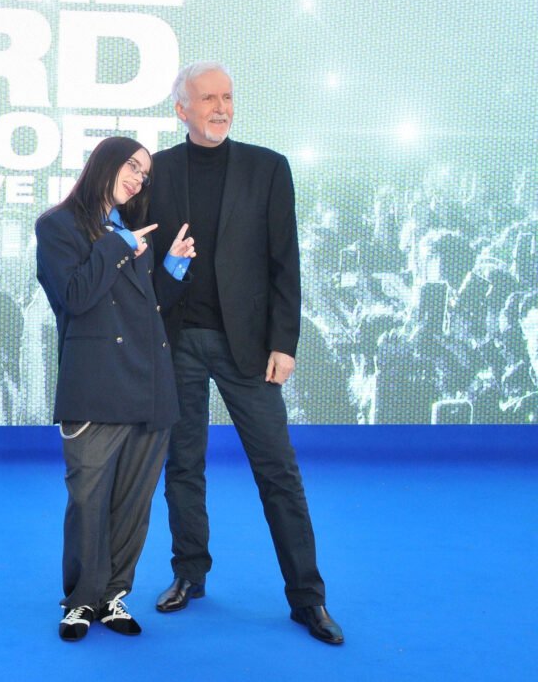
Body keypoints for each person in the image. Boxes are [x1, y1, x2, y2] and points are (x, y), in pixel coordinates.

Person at [147, 62, 344, 645]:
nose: (221, 108)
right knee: (182, 465)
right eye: (208, 98)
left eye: (227, 97)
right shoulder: (157, 170)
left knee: (277, 470)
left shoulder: (268, 167)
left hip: (250, 348)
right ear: (181, 109)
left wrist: (285, 342)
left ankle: (308, 598)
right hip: (177, 342)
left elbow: (286, 263)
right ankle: (189, 573)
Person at [34, 136, 195, 642]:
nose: (138, 179)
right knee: (88, 500)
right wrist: (116, 247)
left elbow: (141, 309)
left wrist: (170, 270)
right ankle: (80, 601)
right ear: (103, 163)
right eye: (131, 166)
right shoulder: (57, 225)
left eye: (144, 173)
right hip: (95, 387)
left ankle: (112, 596)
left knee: (132, 503)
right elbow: (77, 297)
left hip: (150, 385)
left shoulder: (129, 229)